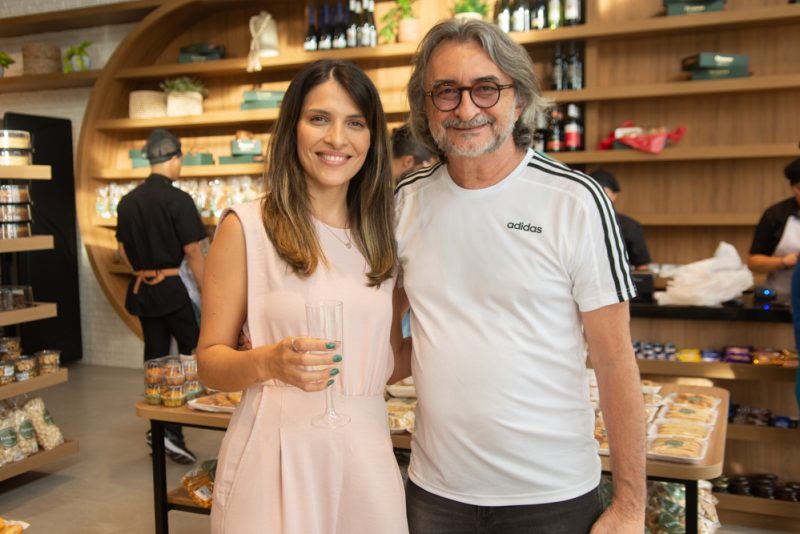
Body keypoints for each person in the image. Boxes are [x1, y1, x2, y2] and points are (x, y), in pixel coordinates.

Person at [395, 19, 646, 533]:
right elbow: (378, 332)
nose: (466, 108)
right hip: (435, 493)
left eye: (486, 88)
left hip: (552, 495)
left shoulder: (574, 201)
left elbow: (616, 362)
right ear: (426, 105)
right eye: (446, 91)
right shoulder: (405, 200)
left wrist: (629, 504)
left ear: (519, 97)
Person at [197, 59, 408, 534]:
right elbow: (209, 363)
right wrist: (269, 362)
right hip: (274, 452)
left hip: (367, 455)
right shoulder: (247, 227)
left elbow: (388, 361)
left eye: (355, 123)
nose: (337, 138)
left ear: (372, 139)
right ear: (292, 127)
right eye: (319, 119)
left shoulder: (384, 238)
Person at [116, 128, 205, 465]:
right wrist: (207, 291)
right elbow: (193, 252)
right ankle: (172, 431)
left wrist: (142, 271)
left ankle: (159, 426)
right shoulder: (179, 200)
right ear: (174, 158)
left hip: (144, 290)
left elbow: (122, 249)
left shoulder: (128, 201)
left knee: (155, 358)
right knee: (191, 355)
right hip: (175, 290)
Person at [748, 158, 800, 303]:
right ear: (792, 188)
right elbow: (753, 262)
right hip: (781, 298)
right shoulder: (775, 215)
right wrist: (783, 262)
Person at [590, 168, 652, 271]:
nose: (599, 196)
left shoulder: (630, 227)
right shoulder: (573, 224)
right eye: (593, 192)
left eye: (604, 192)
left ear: (614, 195)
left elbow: (642, 267)